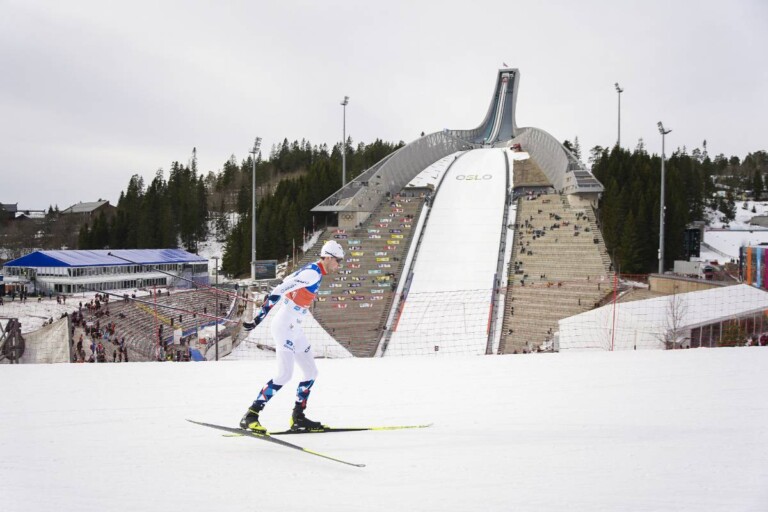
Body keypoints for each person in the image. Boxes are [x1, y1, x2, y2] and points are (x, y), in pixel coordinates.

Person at [239, 240, 345, 433]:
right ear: (328, 257)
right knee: (284, 375)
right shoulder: (312, 273)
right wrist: (257, 320)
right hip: (284, 327)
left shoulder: (314, 271)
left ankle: (298, 417)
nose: (339, 265)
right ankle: (250, 415)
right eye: (338, 260)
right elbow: (279, 290)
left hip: (295, 327)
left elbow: (287, 282)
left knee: (311, 372)